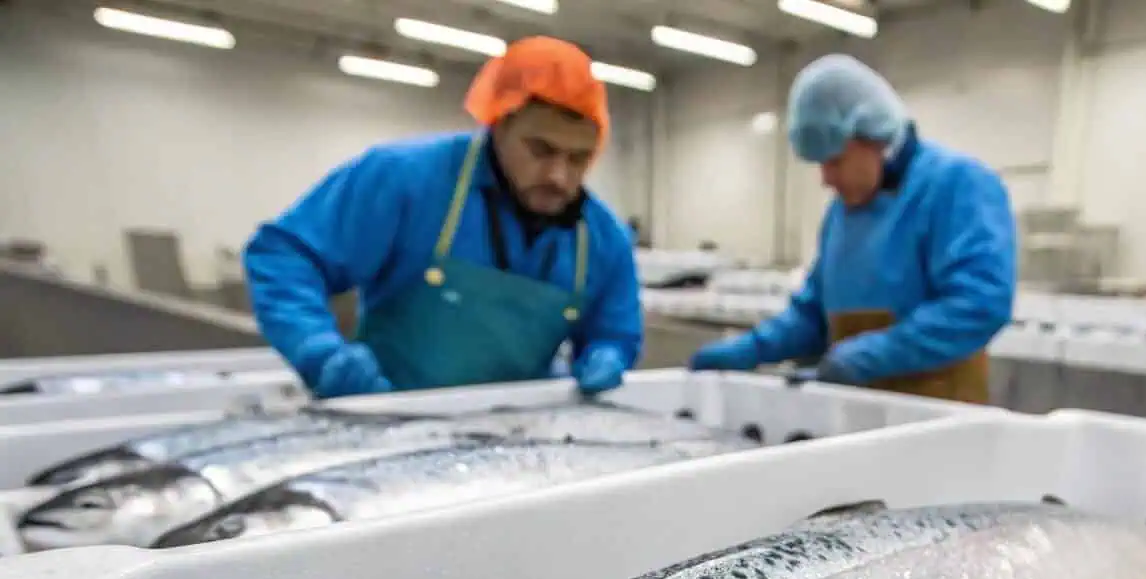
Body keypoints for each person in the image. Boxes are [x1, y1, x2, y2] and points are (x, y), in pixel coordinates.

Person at [243, 37, 641, 399]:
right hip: (384, 419)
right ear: (500, 124)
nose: (559, 176)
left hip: (515, 436)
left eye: (579, 159)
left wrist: (608, 355)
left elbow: (613, 332)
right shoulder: (404, 179)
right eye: (541, 150)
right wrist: (318, 350)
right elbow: (285, 255)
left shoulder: (604, 239)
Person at [688, 55, 1016, 404]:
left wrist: (869, 356)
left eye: (834, 161)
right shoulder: (841, 216)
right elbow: (812, 316)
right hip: (858, 419)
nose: (826, 179)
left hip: (939, 419)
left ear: (873, 134)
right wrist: (751, 349)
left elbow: (979, 304)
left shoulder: (956, 185)